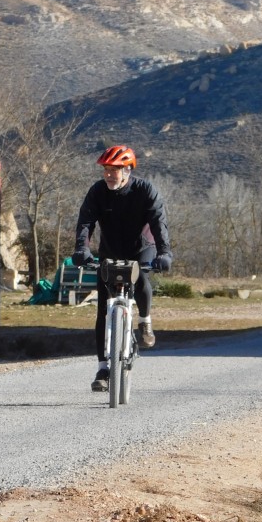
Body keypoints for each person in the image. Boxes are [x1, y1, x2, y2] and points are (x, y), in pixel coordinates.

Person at [73, 145, 172, 392]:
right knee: (103, 310)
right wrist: (81, 249)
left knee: (140, 281)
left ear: (128, 171)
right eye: (106, 170)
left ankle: (145, 321)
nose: (108, 175)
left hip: (142, 246)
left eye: (114, 171)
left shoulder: (145, 190)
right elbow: (85, 222)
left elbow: (158, 223)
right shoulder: (97, 191)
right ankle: (103, 368)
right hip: (111, 249)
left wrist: (164, 253)